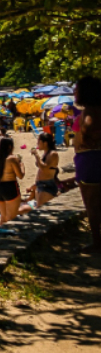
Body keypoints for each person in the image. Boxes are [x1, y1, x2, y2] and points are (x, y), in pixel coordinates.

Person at [74, 76, 101, 252]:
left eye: (76, 89)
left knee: (92, 204)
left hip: (90, 158)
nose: (74, 92)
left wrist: (84, 136)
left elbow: (88, 127)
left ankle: (97, 243)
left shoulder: (90, 111)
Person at [0, 136, 24, 227]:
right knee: (12, 218)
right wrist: (22, 165)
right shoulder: (12, 158)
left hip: (0, 188)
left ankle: (2, 239)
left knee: (3, 218)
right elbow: (20, 175)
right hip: (10, 187)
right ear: (10, 146)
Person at [31, 133, 60, 207]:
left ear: (45, 143)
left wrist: (36, 155)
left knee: (41, 209)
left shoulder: (53, 154)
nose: (37, 143)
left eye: (39, 141)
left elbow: (44, 168)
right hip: (40, 184)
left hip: (47, 186)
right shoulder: (45, 153)